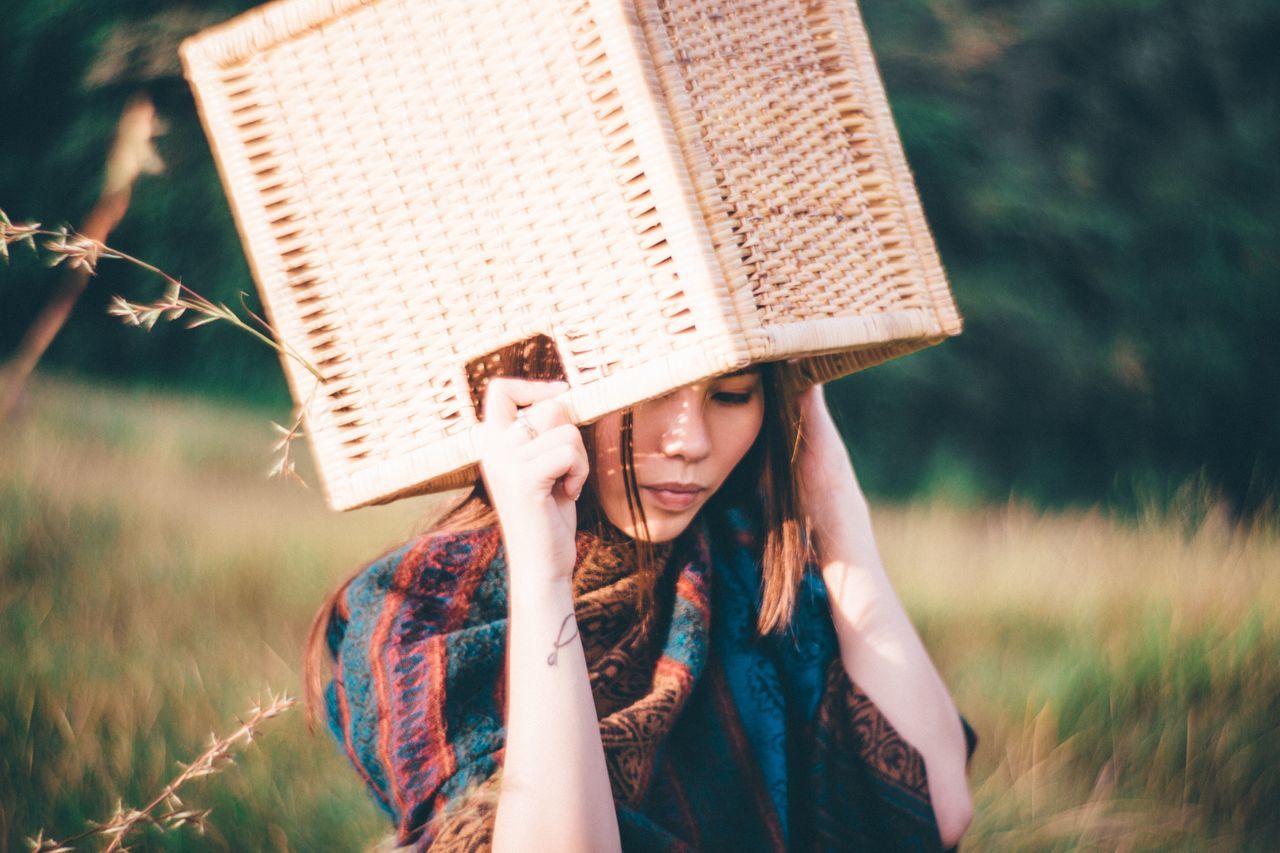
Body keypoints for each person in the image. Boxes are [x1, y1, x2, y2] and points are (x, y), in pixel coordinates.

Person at [304, 361, 975, 851]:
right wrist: (545, 576)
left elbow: (937, 806)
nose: (691, 441)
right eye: (649, 389)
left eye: (733, 394)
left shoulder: (750, 564)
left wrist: (830, 497)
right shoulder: (426, 611)